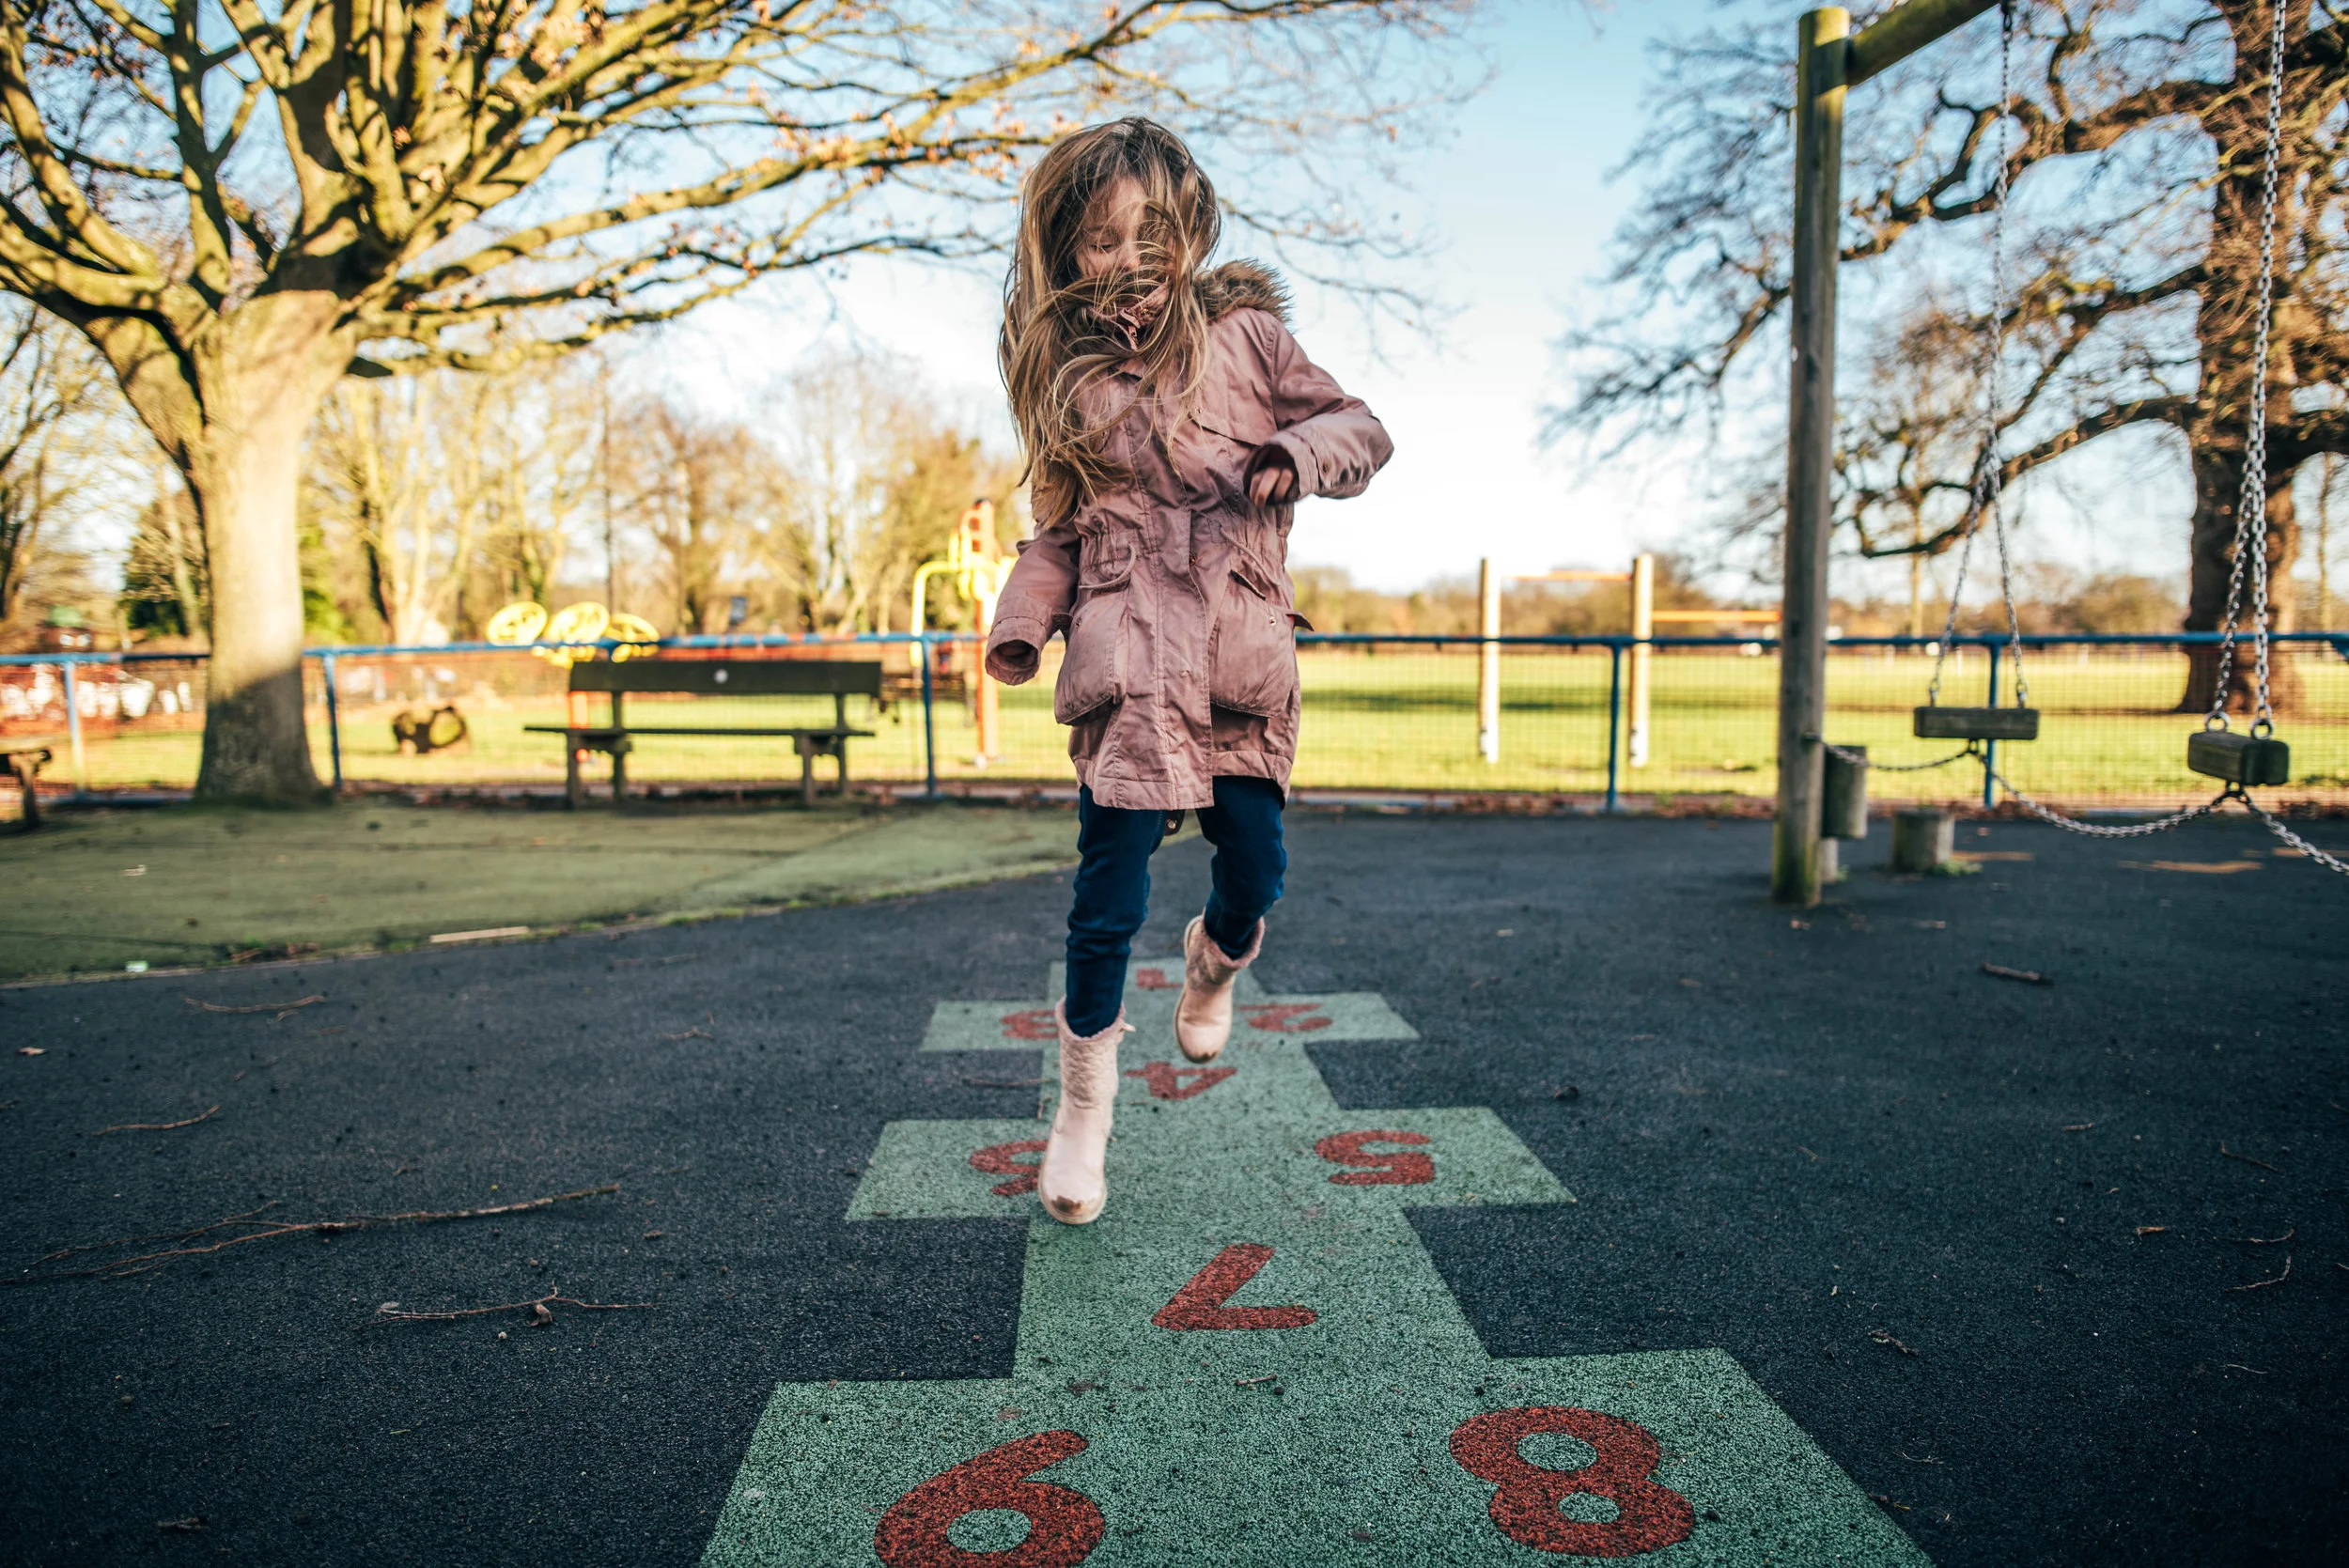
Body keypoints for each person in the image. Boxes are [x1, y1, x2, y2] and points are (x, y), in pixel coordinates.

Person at [984, 117, 1393, 1225]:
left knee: (1255, 866)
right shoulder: (1073, 386)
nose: (1127, 258)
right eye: (1100, 240)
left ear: (1191, 233)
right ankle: (1083, 1110)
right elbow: (1056, 538)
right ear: (1067, 255)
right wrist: (1023, 621)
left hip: (1235, 662)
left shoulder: (1252, 342)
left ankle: (1216, 957)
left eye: (1149, 233)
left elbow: (1362, 426)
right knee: (1101, 903)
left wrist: (1297, 453)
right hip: (1125, 674)